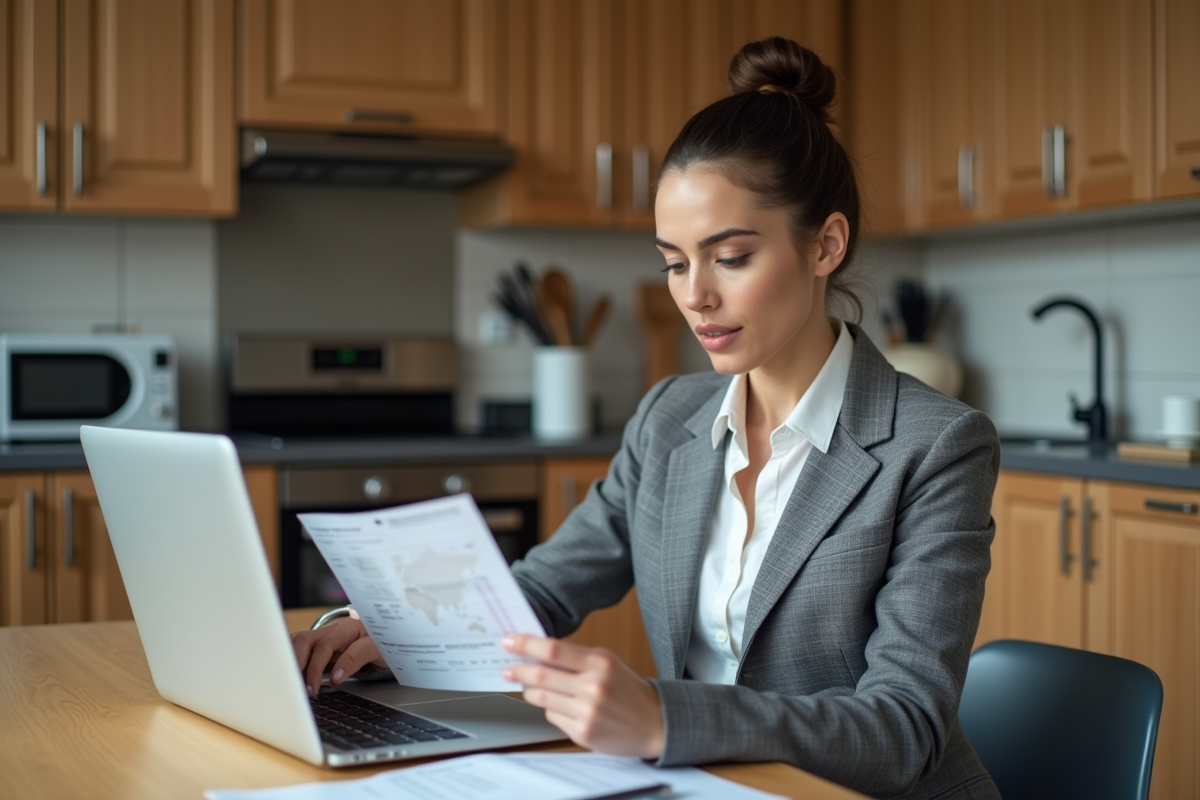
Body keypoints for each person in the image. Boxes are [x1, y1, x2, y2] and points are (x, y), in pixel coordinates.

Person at [292, 37, 1001, 800]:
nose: (694, 295)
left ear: (826, 244)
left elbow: (904, 730)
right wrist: (382, 631)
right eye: (674, 262)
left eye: (731, 257)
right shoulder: (670, 417)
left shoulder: (935, 446)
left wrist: (665, 717)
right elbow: (543, 590)